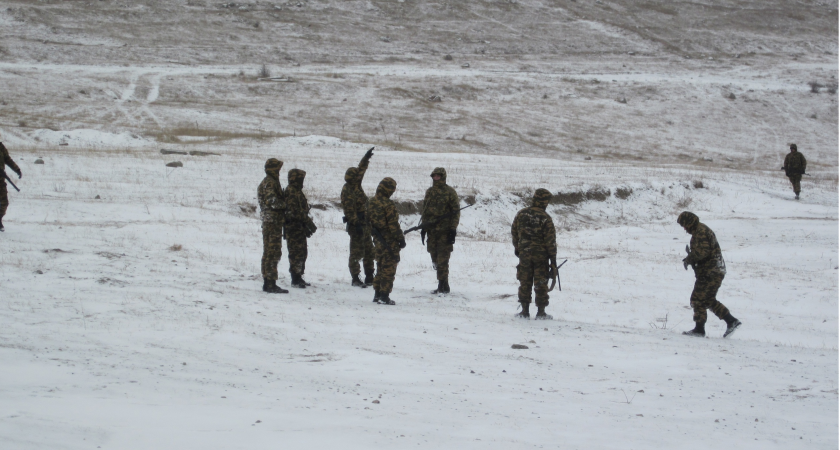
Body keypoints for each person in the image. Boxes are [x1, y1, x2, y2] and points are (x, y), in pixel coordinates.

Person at [677, 211, 742, 338]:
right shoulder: (698, 231)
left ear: (689, 222)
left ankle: (702, 329)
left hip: (711, 272)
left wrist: (690, 258)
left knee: (699, 299)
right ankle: (728, 322)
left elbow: (703, 252)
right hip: (712, 271)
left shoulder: (700, 232)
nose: (684, 229)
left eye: (684, 225)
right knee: (704, 299)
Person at [510, 189, 557, 320]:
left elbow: (514, 232)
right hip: (540, 257)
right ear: (544, 201)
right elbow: (550, 241)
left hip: (524, 254)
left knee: (524, 281)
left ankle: (524, 311)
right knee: (541, 282)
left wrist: (518, 248)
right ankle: (541, 312)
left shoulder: (521, 214)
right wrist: (553, 259)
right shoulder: (545, 217)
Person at [420, 167, 461, 294]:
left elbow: (456, 212)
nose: (435, 178)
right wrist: (423, 227)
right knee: (434, 256)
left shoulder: (450, 192)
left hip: (444, 231)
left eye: (438, 176)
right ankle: (443, 282)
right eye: (434, 176)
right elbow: (425, 211)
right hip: (432, 232)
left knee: (443, 259)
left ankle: (443, 285)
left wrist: (453, 229)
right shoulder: (430, 192)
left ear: (443, 176)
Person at [340, 147, 375, 288]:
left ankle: (370, 276)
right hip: (356, 226)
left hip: (365, 223)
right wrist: (356, 224)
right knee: (356, 253)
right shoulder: (347, 190)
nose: (359, 177)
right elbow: (349, 211)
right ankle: (355, 277)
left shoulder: (356, 185)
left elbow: (361, 170)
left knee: (369, 251)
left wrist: (366, 158)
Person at [367, 177, 405, 305]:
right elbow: (393, 225)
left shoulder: (371, 202)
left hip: (377, 240)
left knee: (379, 267)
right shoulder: (388, 205)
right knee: (388, 268)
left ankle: (377, 294)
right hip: (389, 241)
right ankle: (384, 296)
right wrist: (400, 239)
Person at [257, 158, 289, 293]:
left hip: (269, 221)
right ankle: (270, 282)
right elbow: (272, 201)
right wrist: (285, 204)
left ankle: (268, 281)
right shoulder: (270, 183)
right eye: (278, 169)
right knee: (273, 251)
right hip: (273, 222)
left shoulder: (267, 182)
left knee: (268, 251)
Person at [284, 169, 317, 288]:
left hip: (299, 227)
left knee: (302, 252)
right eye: (300, 178)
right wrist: (306, 220)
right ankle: (295, 278)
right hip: (293, 227)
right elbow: (293, 212)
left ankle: (299, 275)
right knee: (296, 253)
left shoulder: (297, 191)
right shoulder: (291, 192)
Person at [0, 141, 22, 233]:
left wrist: (17, 169)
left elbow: (7, 159)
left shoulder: (0, 146)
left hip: (0, 181)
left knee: (4, 202)